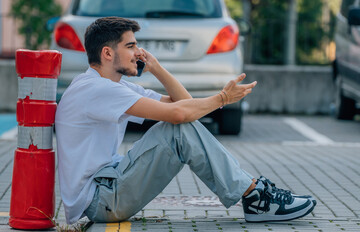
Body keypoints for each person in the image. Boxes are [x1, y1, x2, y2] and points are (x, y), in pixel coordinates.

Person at [55, 17, 316, 225]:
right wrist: (223, 97)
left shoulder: (110, 86)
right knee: (177, 130)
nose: (139, 51)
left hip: (109, 188)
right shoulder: (97, 90)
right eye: (131, 46)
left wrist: (156, 67)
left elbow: (183, 103)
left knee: (181, 127)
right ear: (108, 54)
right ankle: (256, 197)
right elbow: (180, 114)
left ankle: (254, 194)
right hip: (101, 199)